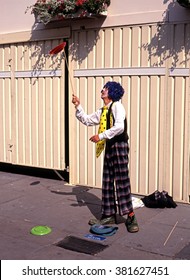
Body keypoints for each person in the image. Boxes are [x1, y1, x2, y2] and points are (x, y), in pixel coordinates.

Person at [72, 81, 139, 233]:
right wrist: (78, 106)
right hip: (109, 146)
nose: (102, 90)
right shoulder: (103, 110)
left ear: (113, 92)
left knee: (122, 181)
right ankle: (108, 215)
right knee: (108, 180)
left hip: (120, 146)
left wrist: (101, 136)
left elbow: (120, 127)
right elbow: (88, 120)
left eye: (106, 88)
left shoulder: (117, 106)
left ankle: (131, 216)